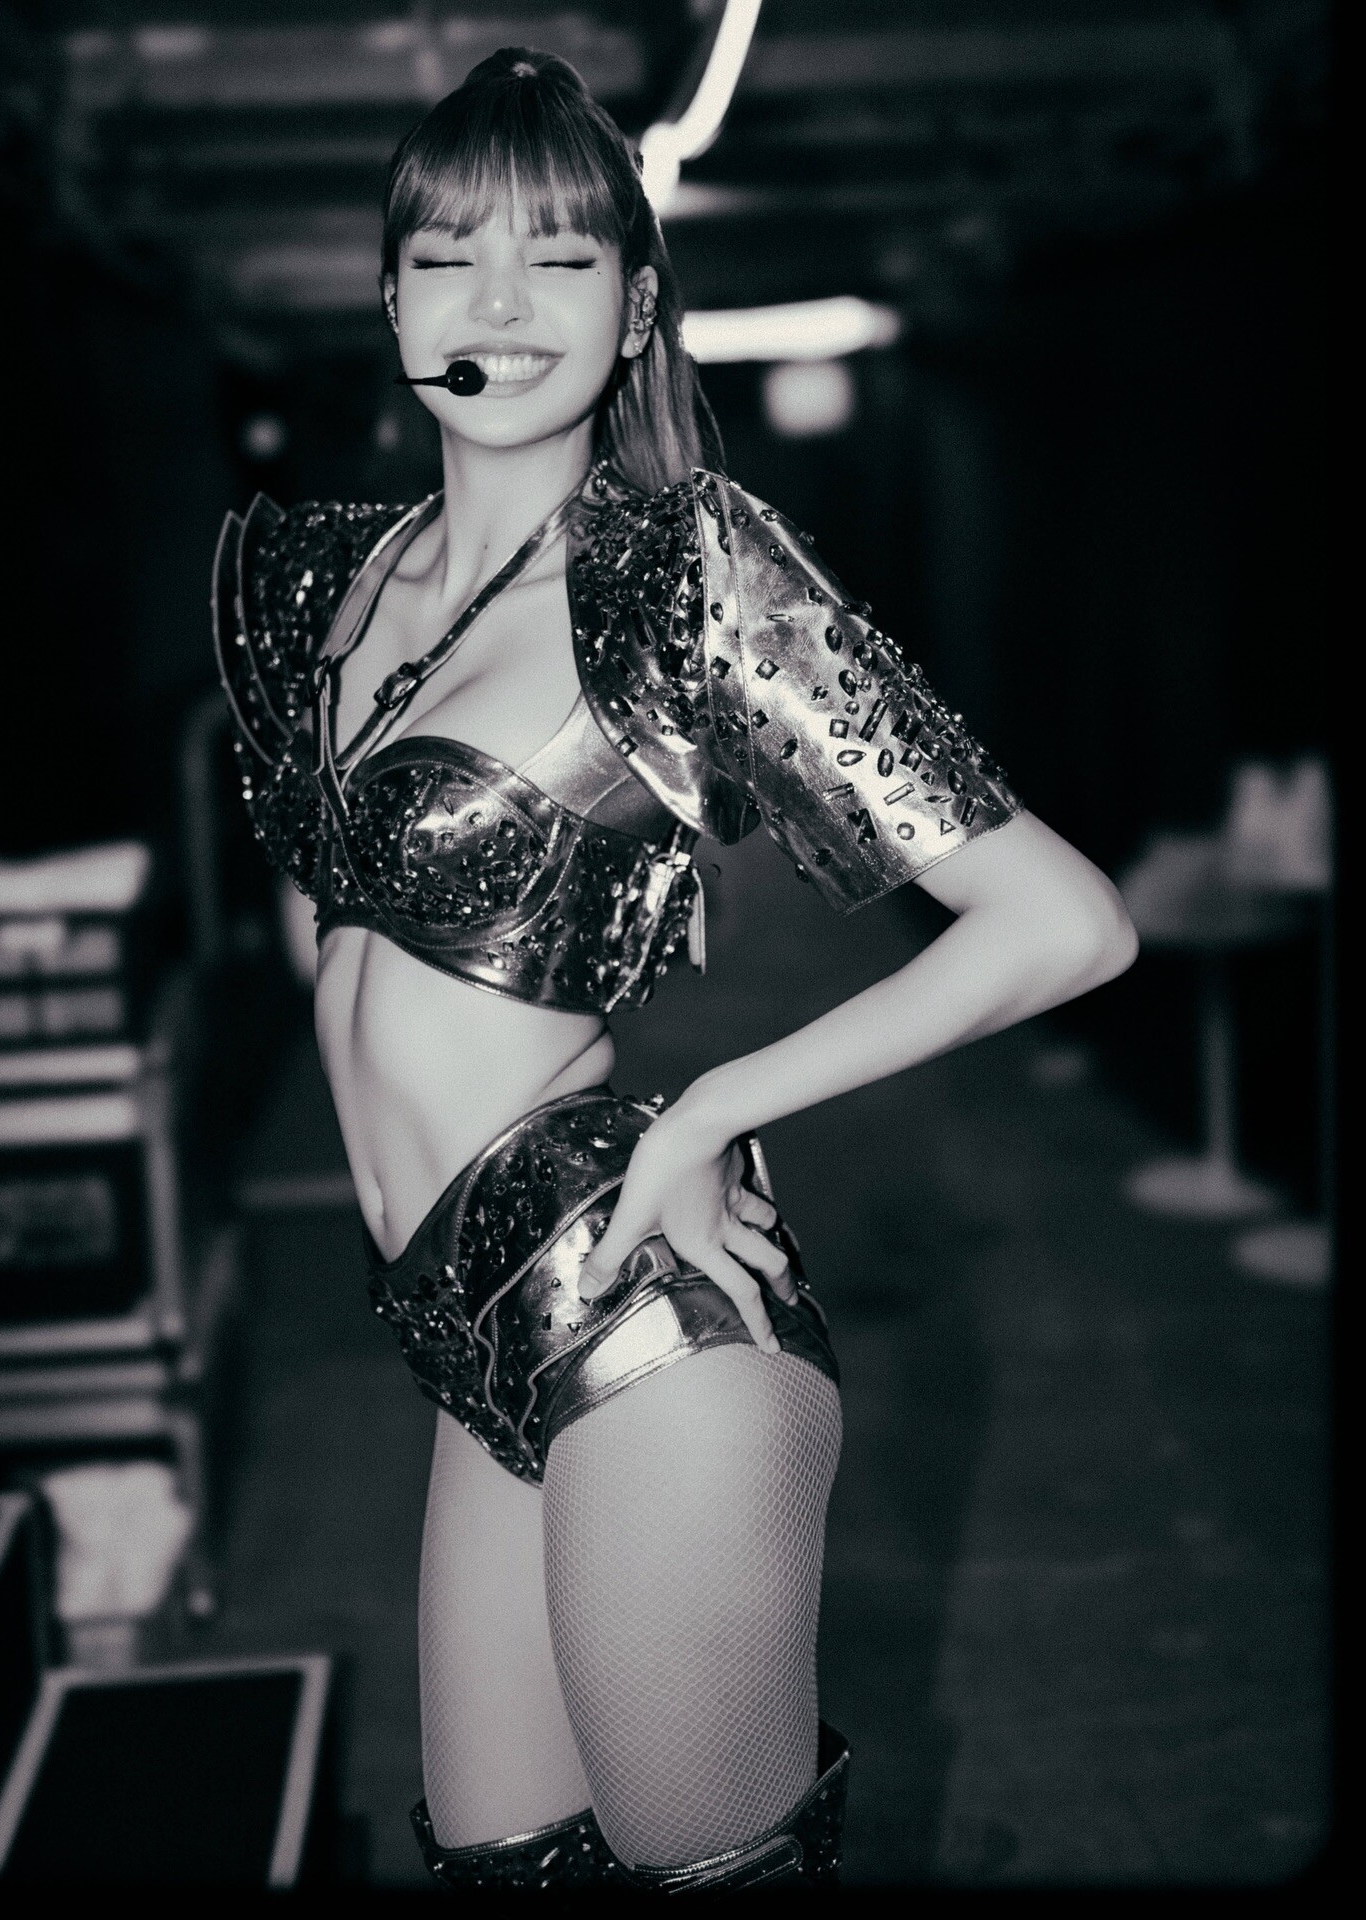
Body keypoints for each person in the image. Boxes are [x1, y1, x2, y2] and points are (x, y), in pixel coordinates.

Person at [213, 48, 1137, 1891]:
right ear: (389, 299)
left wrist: (715, 1106)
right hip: (458, 1327)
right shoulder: (320, 587)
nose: (499, 302)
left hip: (639, 1316)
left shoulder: (683, 576)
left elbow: (1066, 922)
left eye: (559, 259)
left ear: (636, 310)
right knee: (506, 1866)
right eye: (449, 254)